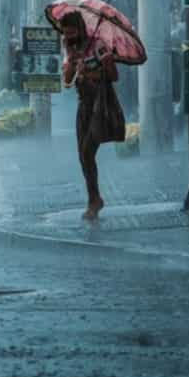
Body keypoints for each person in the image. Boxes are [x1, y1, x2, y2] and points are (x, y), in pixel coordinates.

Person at [60, 11, 124, 221]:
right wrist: (71, 62)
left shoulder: (98, 45)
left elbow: (113, 76)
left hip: (100, 103)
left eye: (72, 33)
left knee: (88, 152)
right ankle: (94, 198)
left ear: (80, 29)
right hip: (84, 106)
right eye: (65, 33)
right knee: (83, 156)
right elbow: (67, 81)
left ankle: (94, 201)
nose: (69, 37)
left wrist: (88, 71)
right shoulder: (69, 48)